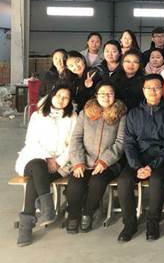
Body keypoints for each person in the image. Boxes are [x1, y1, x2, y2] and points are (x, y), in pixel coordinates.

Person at [117, 74, 164, 242]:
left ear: (162, 90)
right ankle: (129, 224)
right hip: (138, 160)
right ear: (143, 90)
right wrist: (137, 166)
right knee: (124, 181)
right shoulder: (133, 114)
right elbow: (129, 143)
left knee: (157, 181)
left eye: (156, 88)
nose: (153, 91)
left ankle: (153, 222)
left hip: (162, 160)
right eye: (148, 88)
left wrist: (152, 166)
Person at [15, 84, 77, 246]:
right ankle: (47, 207)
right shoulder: (37, 115)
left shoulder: (72, 117)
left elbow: (73, 144)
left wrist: (58, 161)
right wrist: (47, 158)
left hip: (59, 164)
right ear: (51, 96)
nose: (62, 100)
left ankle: (26, 227)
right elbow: (31, 141)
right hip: (33, 158)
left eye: (66, 97)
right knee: (38, 166)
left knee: (34, 181)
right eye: (59, 96)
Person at [66, 81, 126, 234]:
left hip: (109, 163)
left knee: (97, 182)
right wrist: (78, 162)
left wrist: (105, 161)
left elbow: (121, 142)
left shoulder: (121, 114)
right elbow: (76, 139)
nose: (106, 96)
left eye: (110, 93)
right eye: (102, 93)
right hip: (85, 160)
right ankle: (73, 215)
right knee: (75, 183)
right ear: (96, 95)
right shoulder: (85, 113)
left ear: (114, 95)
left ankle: (88, 212)